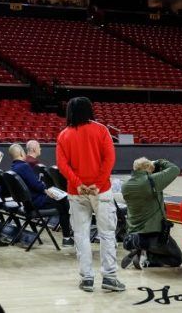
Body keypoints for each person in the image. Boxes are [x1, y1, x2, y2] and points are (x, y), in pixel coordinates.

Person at [56, 96, 124, 293]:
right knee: (106, 234)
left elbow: (62, 165)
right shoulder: (101, 130)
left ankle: (86, 278)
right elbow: (109, 159)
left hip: (76, 193)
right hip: (101, 191)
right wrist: (97, 184)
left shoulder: (63, 135)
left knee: (81, 235)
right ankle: (110, 277)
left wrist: (79, 184)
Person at [121, 157, 182, 269]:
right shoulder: (152, 182)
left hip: (131, 233)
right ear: (147, 168)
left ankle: (139, 249)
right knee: (177, 259)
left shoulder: (125, 185)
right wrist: (159, 162)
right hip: (152, 235)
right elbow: (175, 169)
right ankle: (148, 258)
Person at [8, 144, 73, 245]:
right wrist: (45, 189)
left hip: (27, 203)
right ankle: (67, 238)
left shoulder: (13, 168)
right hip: (36, 202)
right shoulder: (24, 166)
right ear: (21, 153)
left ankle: (68, 235)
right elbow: (36, 185)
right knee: (64, 201)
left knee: (61, 200)